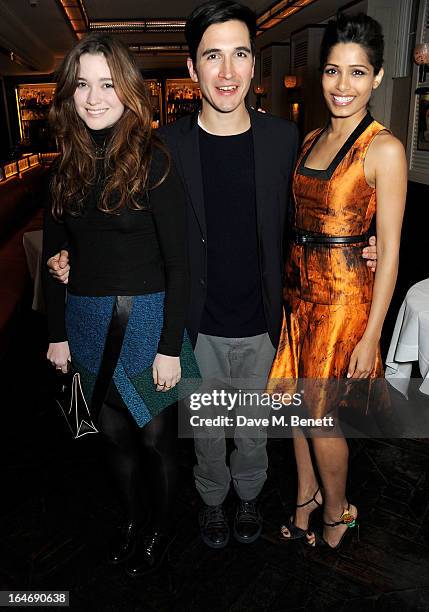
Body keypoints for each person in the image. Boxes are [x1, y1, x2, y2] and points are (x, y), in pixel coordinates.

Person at [46, 0, 378, 550]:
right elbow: (126, 221)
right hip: (192, 324)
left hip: (263, 318)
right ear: (193, 69)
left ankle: (248, 498)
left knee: (249, 432)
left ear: (253, 65)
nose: (227, 72)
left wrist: (358, 248)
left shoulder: (285, 140)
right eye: (213, 57)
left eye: (240, 54)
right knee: (203, 434)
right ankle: (213, 504)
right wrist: (74, 255)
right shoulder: (164, 146)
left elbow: (312, 215)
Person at [42, 32, 189, 575]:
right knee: (111, 438)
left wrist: (170, 348)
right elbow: (53, 257)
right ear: (69, 92)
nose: (94, 96)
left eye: (107, 83)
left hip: (147, 320)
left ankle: (161, 525)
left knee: (155, 442)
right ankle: (131, 518)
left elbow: (180, 265)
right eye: (83, 84)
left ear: (128, 91)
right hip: (83, 318)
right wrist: (56, 334)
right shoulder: (64, 166)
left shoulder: (155, 161)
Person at [268, 12, 407, 550]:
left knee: (320, 417)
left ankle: (338, 511)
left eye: (356, 73)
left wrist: (372, 335)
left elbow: (390, 252)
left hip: (345, 299)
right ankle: (304, 501)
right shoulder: (309, 141)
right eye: (332, 71)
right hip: (299, 295)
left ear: (375, 78)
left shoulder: (385, 149)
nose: (342, 85)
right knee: (294, 406)